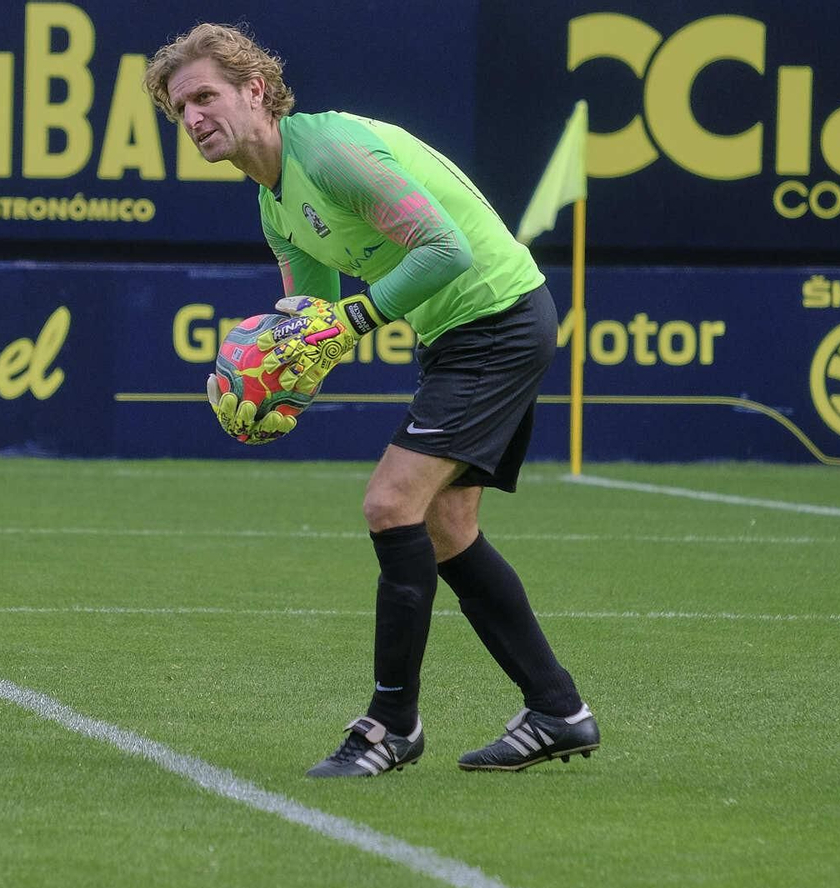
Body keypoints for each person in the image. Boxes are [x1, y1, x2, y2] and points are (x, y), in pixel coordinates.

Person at [144, 24, 599, 776]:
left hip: (497, 316)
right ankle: (557, 708)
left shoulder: (328, 152)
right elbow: (310, 327)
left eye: (203, 96)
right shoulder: (272, 202)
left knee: (391, 504)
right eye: (179, 110)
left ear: (255, 89)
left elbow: (444, 248)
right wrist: (268, 391)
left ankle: (391, 726)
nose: (192, 119)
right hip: (460, 331)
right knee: (447, 526)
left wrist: (357, 321)